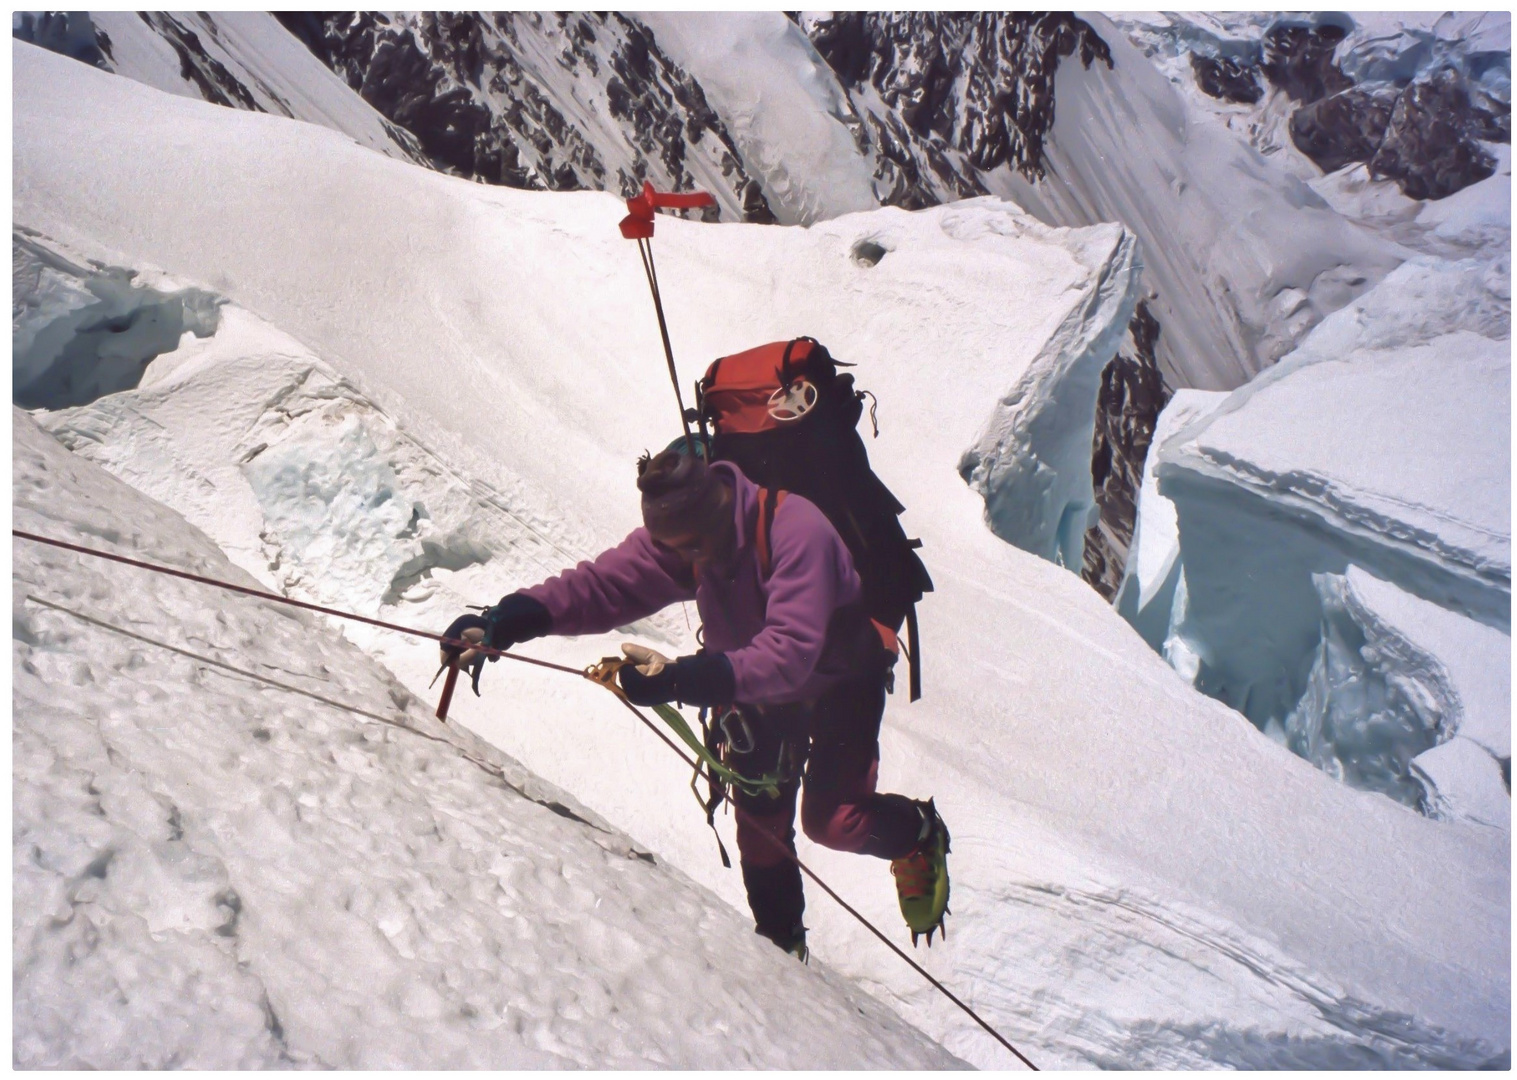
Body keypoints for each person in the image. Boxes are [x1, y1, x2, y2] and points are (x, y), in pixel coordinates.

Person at [441, 448, 949, 958]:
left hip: (841, 678)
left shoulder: (797, 531)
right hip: (750, 687)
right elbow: (605, 586)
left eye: (692, 547)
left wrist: (680, 680)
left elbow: (790, 653)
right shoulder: (693, 537)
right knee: (760, 830)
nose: (689, 561)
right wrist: (505, 621)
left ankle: (918, 834)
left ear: (717, 519)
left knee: (833, 822)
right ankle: (783, 956)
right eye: (676, 548)